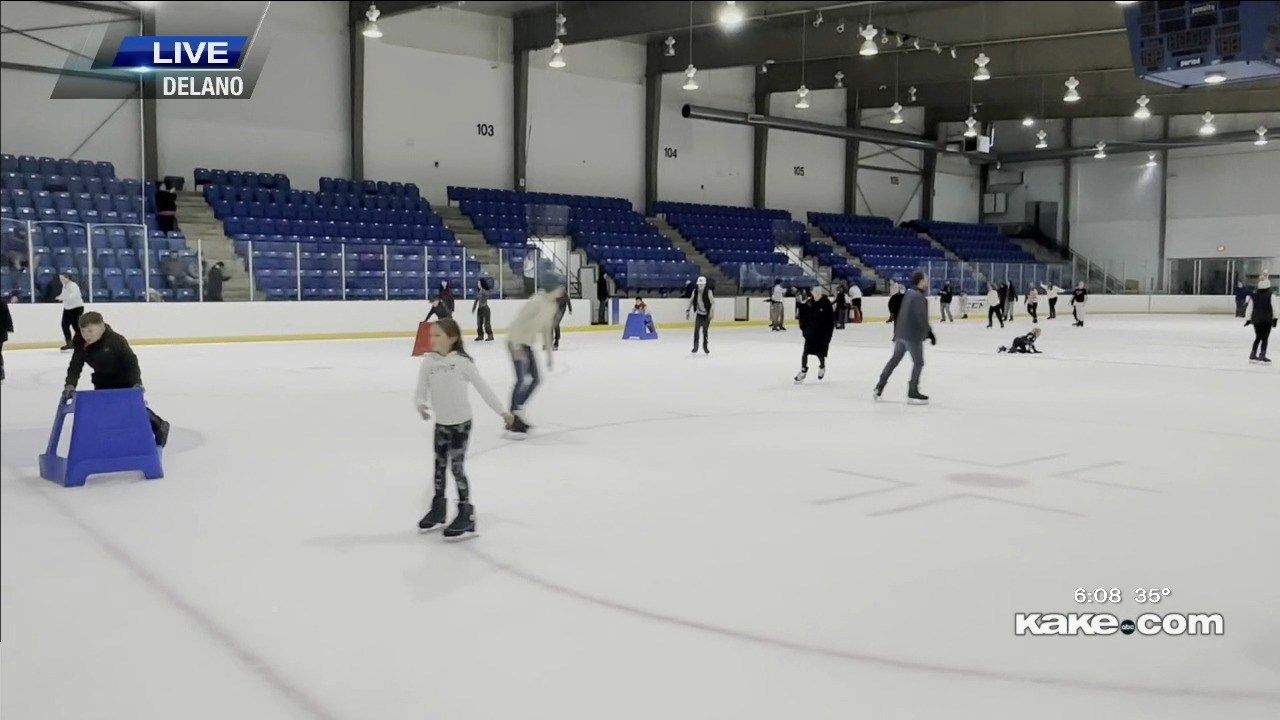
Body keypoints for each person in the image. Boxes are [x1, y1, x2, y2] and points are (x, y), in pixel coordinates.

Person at [414, 318, 514, 538]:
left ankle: (466, 513)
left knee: (456, 468)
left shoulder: (462, 362)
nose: (432, 339)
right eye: (431, 335)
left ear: (452, 338)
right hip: (441, 424)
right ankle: (439, 509)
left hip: (461, 425)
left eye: (437, 335)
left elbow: (483, 388)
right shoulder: (428, 363)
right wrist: (421, 405)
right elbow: (420, 390)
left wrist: (502, 412)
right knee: (439, 468)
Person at [61, 311, 170, 447]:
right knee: (106, 410)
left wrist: (137, 382)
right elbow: (75, 364)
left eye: (90, 331)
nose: (86, 335)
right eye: (83, 331)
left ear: (101, 327)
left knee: (130, 408)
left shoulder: (116, 340)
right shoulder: (80, 341)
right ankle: (114, 440)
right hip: (102, 379)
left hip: (124, 378)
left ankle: (160, 425)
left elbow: (131, 361)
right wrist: (70, 384)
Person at [506, 287, 562, 434]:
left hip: (527, 344)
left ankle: (517, 410)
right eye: (558, 288)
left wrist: (549, 356)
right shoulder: (536, 301)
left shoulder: (552, 307)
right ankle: (513, 417)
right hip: (515, 342)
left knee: (536, 379)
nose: (561, 291)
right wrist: (516, 346)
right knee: (521, 379)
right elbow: (519, 321)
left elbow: (546, 331)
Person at [874, 272, 935, 404]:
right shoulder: (919, 297)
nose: (928, 282)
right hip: (912, 336)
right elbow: (921, 318)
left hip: (901, 334)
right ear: (920, 281)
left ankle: (879, 386)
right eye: (926, 280)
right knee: (919, 362)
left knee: (894, 360)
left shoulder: (909, 294)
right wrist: (929, 333)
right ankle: (912, 390)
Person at [796, 286, 835, 382]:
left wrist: (828, 335)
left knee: (819, 353)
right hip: (811, 333)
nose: (813, 294)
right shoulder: (810, 302)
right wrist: (800, 304)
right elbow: (804, 312)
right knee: (805, 352)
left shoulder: (826, 303)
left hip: (822, 334)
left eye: (814, 292)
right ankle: (803, 370)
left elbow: (830, 320)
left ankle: (822, 367)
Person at [1244, 276, 1276, 364]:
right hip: (1267, 320)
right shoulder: (1271, 295)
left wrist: (1248, 319)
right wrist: (1275, 318)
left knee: (1258, 337)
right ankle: (1262, 354)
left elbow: (1249, 308)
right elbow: (1275, 308)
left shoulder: (1254, 296)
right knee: (1265, 338)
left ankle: (1253, 354)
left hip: (1256, 320)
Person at [57, 272, 85, 351]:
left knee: (76, 326)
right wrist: (60, 297)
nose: (61, 280)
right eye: (60, 278)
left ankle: (82, 342)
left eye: (62, 278)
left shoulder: (73, 285)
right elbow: (64, 295)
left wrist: (64, 298)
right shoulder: (64, 286)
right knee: (64, 325)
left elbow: (73, 296)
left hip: (76, 308)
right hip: (68, 308)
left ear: (67, 278)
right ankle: (69, 343)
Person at [687, 275, 715, 354]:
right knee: (696, 331)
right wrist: (687, 310)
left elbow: (712, 303)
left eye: (702, 284)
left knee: (705, 332)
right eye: (699, 284)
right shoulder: (695, 291)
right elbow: (691, 301)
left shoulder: (709, 292)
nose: (700, 286)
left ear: (705, 284)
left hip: (706, 315)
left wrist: (711, 313)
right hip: (699, 314)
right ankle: (695, 347)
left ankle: (705, 346)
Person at [552, 285, 572, 350]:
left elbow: (569, 302)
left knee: (556, 324)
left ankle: (556, 342)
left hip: (561, 311)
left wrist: (570, 309)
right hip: (555, 310)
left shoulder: (565, 295)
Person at [0, 295, 12, 383]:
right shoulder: (2, 302)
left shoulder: (1, 302)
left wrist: (9, 328)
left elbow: (6, 316)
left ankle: (1, 372)